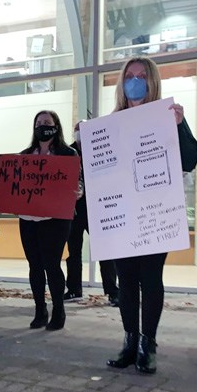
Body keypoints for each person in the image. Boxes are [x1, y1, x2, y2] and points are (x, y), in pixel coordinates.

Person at [106, 57, 197, 374]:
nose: (135, 81)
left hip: (155, 214)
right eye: (129, 76)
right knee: (126, 281)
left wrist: (180, 126)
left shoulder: (167, 116)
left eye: (141, 76)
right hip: (122, 215)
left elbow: (189, 160)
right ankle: (130, 343)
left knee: (150, 279)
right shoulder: (112, 122)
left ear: (153, 81)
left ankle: (149, 344)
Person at [19, 110, 78, 331]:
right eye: (39, 122)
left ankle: (59, 311)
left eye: (47, 122)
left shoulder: (67, 154)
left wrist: (77, 191)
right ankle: (39, 310)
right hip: (28, 218)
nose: (43, 125)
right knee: (34, 266)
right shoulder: (24, 156)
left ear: (56, 125)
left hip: (56, 218)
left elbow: (77, 182)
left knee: (52, 265)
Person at [64, 121, 119, 306]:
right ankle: (73, 289)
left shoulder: (99, 150)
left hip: (97, 208)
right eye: (77, 131)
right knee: (73, 251)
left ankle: (112, 291)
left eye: (83, 131)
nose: (80, 134)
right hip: (73, 210)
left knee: (105, 251)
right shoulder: (67, 152)